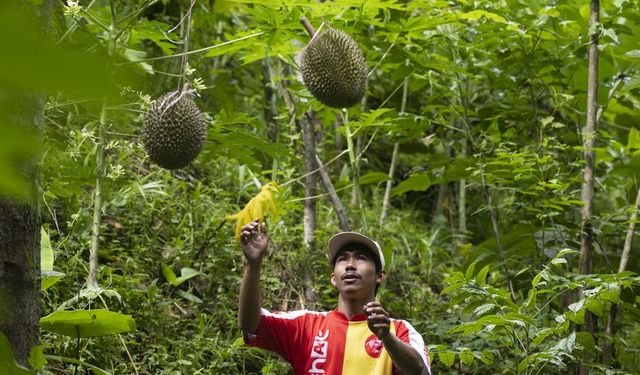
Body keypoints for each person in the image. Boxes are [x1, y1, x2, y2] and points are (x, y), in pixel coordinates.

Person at [238, 219, 431, 374]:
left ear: (380, 276)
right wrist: (252, 265)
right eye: (342, 259)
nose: (350, 265)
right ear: (333, 278)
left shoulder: (399, 329)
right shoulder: (306, 325)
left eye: (361, 258)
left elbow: (418, 369)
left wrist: (387, 337)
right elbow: (251, 324)